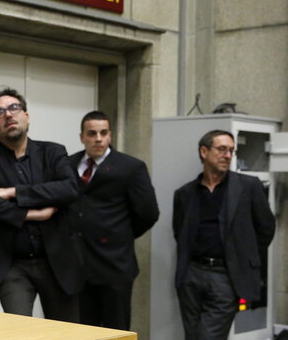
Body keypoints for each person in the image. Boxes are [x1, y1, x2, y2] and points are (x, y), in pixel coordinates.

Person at [0, 87, 81, 322]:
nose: (8, 115)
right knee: (20, 332)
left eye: (14, 108)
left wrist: (14, 192)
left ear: (26, 116)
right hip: (11, 265)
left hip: (56, 262)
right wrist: (30, 214)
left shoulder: (53, 152)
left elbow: (69, 189)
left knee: (67, 333)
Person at [173, 130, 274, 339]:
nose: (228, 155)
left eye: (231, 150)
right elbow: (180, 233)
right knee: (192, 335)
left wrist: (243, 257)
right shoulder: (185, 194)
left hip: (226, 276)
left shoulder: (248, 186)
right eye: (221, 149)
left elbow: (266, 229)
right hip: (192, 274)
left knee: (209, 336)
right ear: (204, 151)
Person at [67, 111, 159, 330]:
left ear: (110, 136)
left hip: (115, 264)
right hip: (77, 265)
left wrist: (120, 234)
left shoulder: (131, 167)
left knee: (115, 329)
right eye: (92, 133)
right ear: (82, 137)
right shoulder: (68, 164)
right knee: (81, 329)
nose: (98, 138)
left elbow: (148, 213)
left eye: (103, 133)